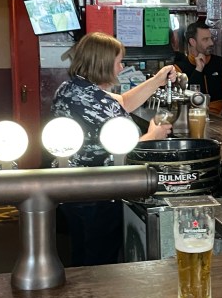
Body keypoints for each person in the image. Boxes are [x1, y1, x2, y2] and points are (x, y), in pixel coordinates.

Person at [51, 32, 174, 266]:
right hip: (97, 191)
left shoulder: (72, 89)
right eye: (118, 62)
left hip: (70, 188)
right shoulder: (97, 103)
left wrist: (158, 80)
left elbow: (123, 102)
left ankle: (83, 297)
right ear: (104, 64)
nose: (121, 68)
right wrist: (152, 136)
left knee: (82, 251)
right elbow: (125, 149)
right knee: (99, 259)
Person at [173, 21, 222, 115]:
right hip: (192, 118)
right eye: (205, 39)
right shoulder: (179, 68)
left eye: (210, 38)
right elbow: (184, 100)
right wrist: (198, 70)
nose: (211, 43)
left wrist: (220, 118)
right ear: (192, 42)